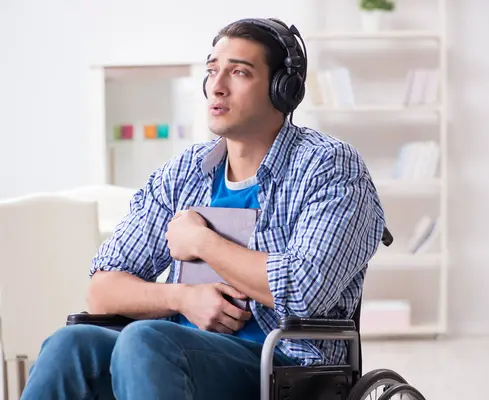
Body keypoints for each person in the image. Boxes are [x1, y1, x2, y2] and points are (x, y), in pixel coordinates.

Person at [21, 17, 386, 400]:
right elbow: (103, 290)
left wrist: (200, 241)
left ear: (283, 89)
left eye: (239, 72)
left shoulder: (329, 166)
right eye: (212, 71)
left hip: (281, 365)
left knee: (146, 340)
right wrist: (181, 299)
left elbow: (304, 289)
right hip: (170, 356)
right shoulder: (185, 172)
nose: (217, 85)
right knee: (70, 344)